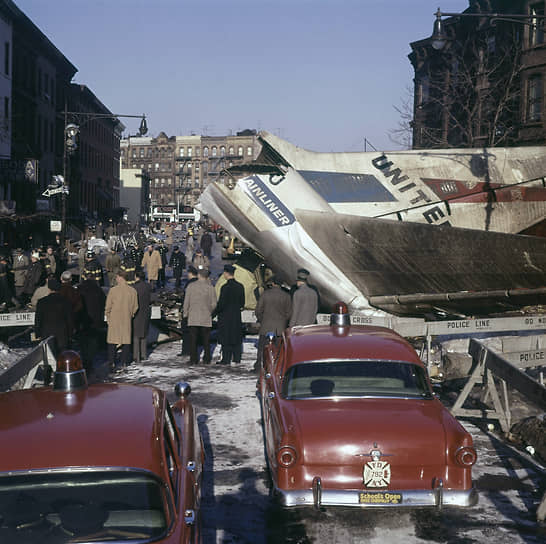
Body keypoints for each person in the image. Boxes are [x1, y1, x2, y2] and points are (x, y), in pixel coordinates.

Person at [254, 276, 292, 371]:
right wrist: (283, 321)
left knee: (262, 349)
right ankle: (276, 368)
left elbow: (258, 310)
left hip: (266, 326)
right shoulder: (286, 296)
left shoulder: (265, 294)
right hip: (279, 328)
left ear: (273, 283)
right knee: (278, 350)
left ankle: (259, 366)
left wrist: (262, 320)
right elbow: (289, 313)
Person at [182, 268, 217, 365]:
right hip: (206, 316)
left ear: (199, 275)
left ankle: (193, 359)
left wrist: (186, 314)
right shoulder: (210, 288)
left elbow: (186, 302)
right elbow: (214, 303)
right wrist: (210, 311)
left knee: (193, 339)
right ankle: (207, 358)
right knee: (206, 339)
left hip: (193, 316)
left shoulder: (191, 286)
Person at [105, 269, 138, 370]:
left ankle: (112, 362)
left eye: (117, 277)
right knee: (125, 341)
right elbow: (135, 307)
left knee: (112, 341)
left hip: (114, 318)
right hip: (126, 319)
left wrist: (108, 316)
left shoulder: (113, 290)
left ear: (120, 277)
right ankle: (124, 362)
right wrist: (130, 314)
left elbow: (108, 306)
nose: (116, 279)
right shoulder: (132, 291)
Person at [214, 264, 245, 365]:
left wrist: (214, 313)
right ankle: (236, 358)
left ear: (226, 273)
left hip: (225, 316)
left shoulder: (225, 287)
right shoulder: (240, 286)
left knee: (226, 338)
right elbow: (242, 302)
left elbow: (221, 303)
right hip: (236, 316)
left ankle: (226, 359)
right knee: (236, 337)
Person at [35, 278, 74, 355]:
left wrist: (37, 333)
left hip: (46, 332)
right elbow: (69, 319)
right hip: (62, 333)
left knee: (50, 355)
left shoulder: (41, 302)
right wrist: (70, 333)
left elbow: (38, 319)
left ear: (49, 288)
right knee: (62, 356)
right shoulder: (66, 301)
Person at [77, 273, 106, 374]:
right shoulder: (98, 289)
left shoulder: (80, 289)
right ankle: (90, 362)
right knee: (92, 342)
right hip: (96, 320)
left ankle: (85, 361)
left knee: (83, 342)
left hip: (83, 319)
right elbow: (103, 302)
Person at [132, 270, 152, 364]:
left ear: (137, 276)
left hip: (137, 312)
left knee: (136, 335)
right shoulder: (148, 286)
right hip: (146, 312)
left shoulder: (134, 287)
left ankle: (136, 356)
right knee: (144, 334)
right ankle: (144, 354)